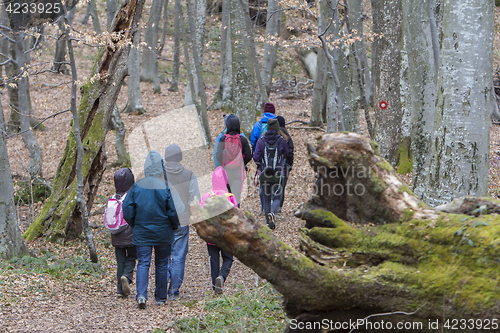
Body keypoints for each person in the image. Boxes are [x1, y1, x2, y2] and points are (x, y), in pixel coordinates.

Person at [122, 151, 179, 309]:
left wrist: (135, 223)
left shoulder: (136, 186)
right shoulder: (165, 186)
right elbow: (172, 212)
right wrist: (174, 226)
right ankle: (161, 297)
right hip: (163, 232)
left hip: (142, 231)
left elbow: (126, 209)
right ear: (161, 167)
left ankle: (141, 295)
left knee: (143, 263)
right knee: (161, 264)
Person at [163, 144, 200, 301]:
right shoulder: (189, 175)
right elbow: (195, 198)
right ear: (180, 157)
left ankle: (162, 287)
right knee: (178, 256)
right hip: (182, 221)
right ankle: (173, 291)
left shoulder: (159, 175)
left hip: (163, 222)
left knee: (163, 256)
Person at [200, 166, 238, 295]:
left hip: (211, 235)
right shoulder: (230, 197)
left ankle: (214, 288)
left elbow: (200, 215)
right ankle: (221, 277)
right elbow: (236, 216)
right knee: (228, 258)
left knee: (214, 260)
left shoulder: (206, 196)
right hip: (226, 235)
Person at [104, 168, 136, 298]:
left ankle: (120, 290)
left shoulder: (113, 197)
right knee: (132, 257)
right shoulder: (131, 196)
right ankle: (127, 276)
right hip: (130, 234)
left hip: (116, 235)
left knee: (120, 261)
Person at [253, 118, 289, 229]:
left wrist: (261, 164)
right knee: (277, 197)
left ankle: (268, 223)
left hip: (264, 173)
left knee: (267, 198)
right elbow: (286, 153)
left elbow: (256, 157)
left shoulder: (261, 141)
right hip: (278, 174)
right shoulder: (282, 140)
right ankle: (272, 214)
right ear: (277, 128)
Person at [216, 115, 252, 205]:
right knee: (237, 196)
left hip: (226, 171)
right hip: (239, 172)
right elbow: (249, 155)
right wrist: (242, 162)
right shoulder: (242, 139)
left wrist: (223, 163)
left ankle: (230, 214)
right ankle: (236, 214)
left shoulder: (223, 139)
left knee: (228, 195)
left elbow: (218, 155)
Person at [276, 116, 294, 214]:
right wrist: (289, 165)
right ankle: (279, 207)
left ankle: (271, 206)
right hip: (285, 166)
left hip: (274, 166)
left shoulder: (273, 135)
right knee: (281, 187)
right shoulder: (287, 137)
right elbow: (290, 152)